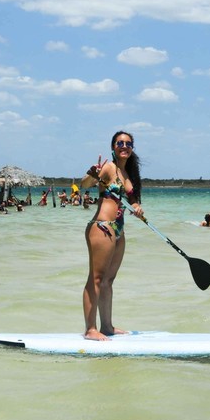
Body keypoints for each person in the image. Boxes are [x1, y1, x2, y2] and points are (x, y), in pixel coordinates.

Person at [78, 130, 144, 341]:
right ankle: (90, 329)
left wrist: (136, 206)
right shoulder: (108, 167)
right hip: (102, 227)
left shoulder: (127, 174)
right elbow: (84, 185)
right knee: (96, 279)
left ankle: (107, 326)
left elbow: (131, 199)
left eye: (128, 143)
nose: (124, 146)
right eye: (119, 143)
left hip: (119, 230)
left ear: (132, 148)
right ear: (113, 147)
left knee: (108, 280)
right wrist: (92, 174)